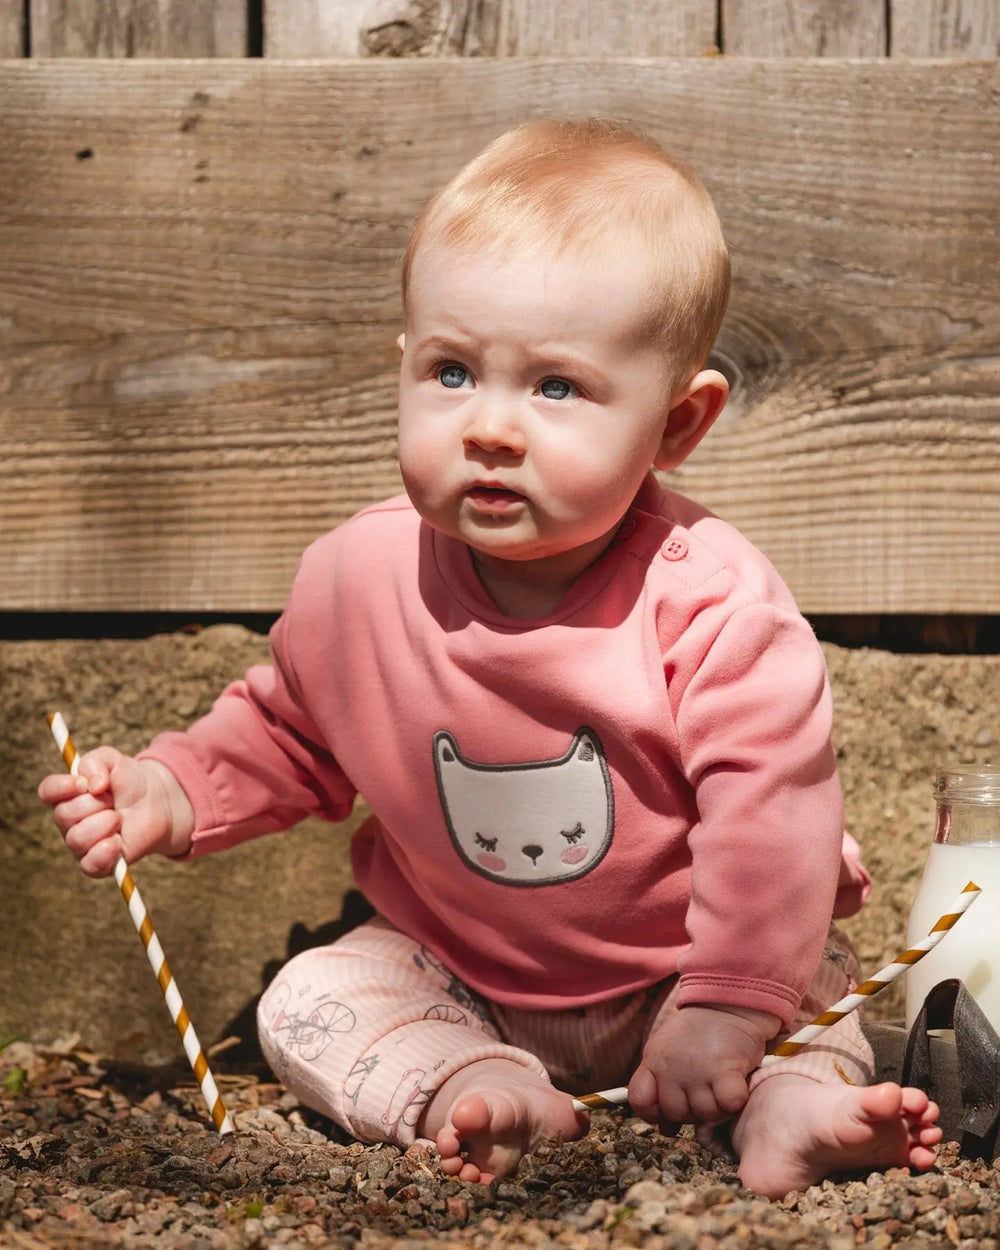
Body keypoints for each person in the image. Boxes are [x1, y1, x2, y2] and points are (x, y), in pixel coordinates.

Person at [39, 118, 941, 1199]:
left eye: (555, 387)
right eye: (453, 371)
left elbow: (772, 817)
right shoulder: (357, 580)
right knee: (309, 998)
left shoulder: (712, 603)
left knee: (813, 986)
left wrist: (726, 1005)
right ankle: (480, 1089)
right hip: (457, 974)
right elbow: (290, 730)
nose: (491, 428)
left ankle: (789, 1107)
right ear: (404, 368)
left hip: (686, 971)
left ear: (677, 424)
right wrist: (173, 787)